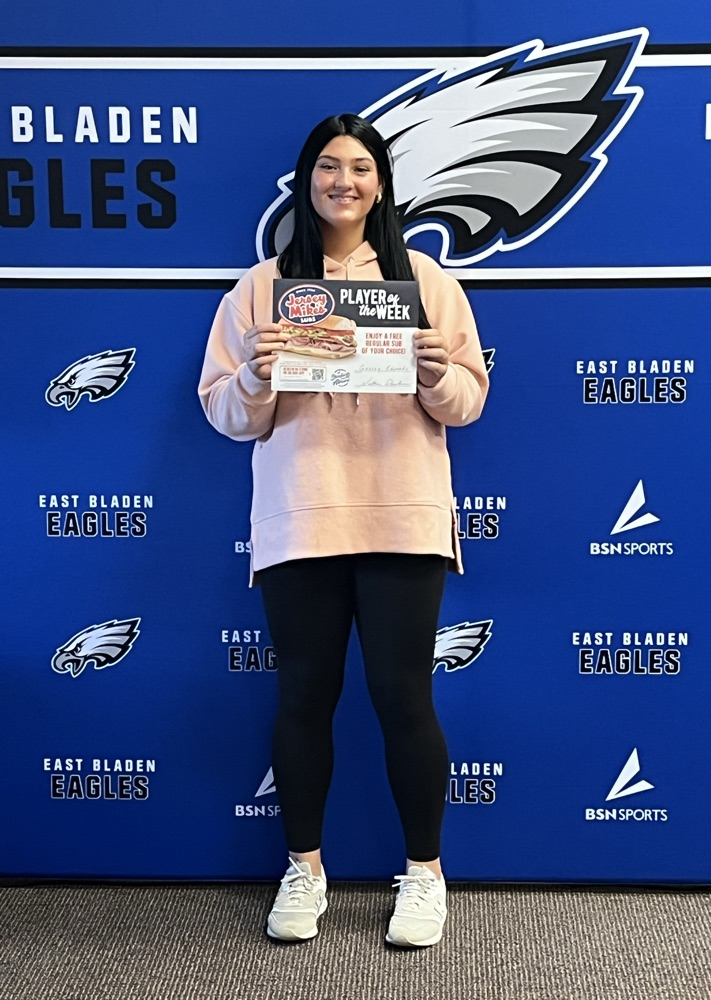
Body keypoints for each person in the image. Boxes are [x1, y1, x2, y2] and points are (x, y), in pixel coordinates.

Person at [198, 113, 488, 947]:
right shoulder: (260, 288)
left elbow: (469, 400)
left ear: (381, 183)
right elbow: (225, 413)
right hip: (302, 519)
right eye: (329, 167)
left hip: (403, 515)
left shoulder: (426, 279)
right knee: (302, 699)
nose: (344, 182)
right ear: (306, 180)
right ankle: (304, 867)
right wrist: (254, 372)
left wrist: (438, 375)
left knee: (405, 698)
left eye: (360, 167)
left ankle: (426, 876)